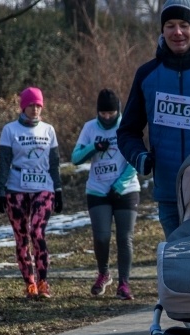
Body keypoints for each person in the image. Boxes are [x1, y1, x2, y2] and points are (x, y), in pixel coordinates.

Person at [116, 0, 190, 239]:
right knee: (178, 264)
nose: (177, 32)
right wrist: (139, 156)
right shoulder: (147, 75)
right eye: (170, 25)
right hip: (169, 192)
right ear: (162, 31)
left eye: (184, 25)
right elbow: (127, 131)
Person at [71, 89, 140, 300]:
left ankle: (124, 284)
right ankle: (103, 274)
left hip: (125, 190)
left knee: (124, 237)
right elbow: (75, 158)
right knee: (101, 237)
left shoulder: (126, 125)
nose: (107, 117)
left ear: (118, 111)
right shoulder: (90, 128)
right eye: (103, 113)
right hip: (97, 190)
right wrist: (94, 147)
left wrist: (120, 184)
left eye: (111, 113)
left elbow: (134, 158)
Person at [0, 87, 62, 299]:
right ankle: (29, 283)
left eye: (39, 105)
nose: (35, 109)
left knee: (38, 233)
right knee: (22, 237)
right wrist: (0, 190)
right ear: (23, 107)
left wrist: (58, 190)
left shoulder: (48, 130)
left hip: (44, 188)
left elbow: (54, 163)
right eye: (31, 105)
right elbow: (4, 162)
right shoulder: (10, 130)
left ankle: (43, 282)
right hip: (16, 189)